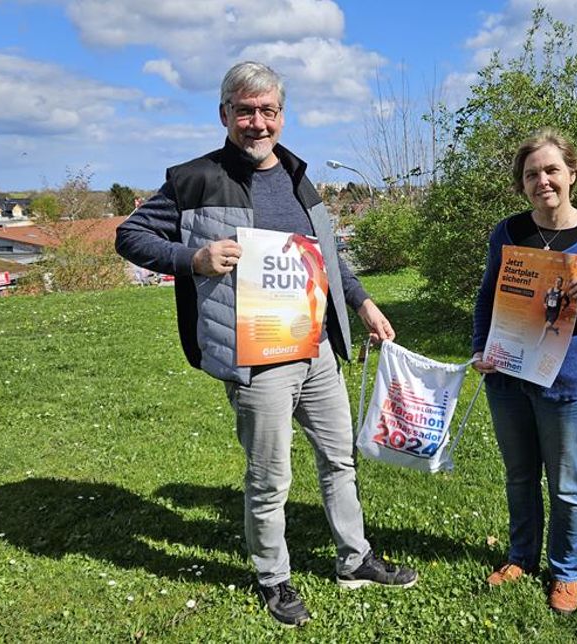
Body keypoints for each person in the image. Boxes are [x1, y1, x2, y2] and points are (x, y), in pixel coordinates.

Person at [115, 61, 417, 628]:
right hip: (257, 361)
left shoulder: (299, 175)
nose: (258, 122)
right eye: (245, 111)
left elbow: (327, 256)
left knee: (339, 459)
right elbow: (129, 236)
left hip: (316, 348)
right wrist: (192, 260)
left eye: (268, 111)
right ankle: (273, 579)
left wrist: (362, 302)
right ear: (225, 114)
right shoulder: (194, 178)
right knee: (270, 476)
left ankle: (355, 559)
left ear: (282, 114)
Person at [471, 128, 577, 615]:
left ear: (572, 175)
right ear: (522, 185)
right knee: (520, 476)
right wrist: (482, 348)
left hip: (568, 383)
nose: (542, 180)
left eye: (551, 171)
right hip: (508, 377)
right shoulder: (508, 232)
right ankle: (521, 556)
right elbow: (487, 297)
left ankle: (565, 572)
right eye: (531, 174)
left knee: (566, 485)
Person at [537, 275, 570, 345]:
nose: (557, 283)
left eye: (559, 282)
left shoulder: (562, 293)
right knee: (547, 326)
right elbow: (545, 298)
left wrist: (564, 307)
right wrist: (544, 303)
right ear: (555, 282)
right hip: (548, 311)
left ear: (561, 284)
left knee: (545, 328)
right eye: (557, 281)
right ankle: (555, 330)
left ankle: (538, 345)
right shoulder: (550, 290)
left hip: (554, 313)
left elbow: (568, 301)